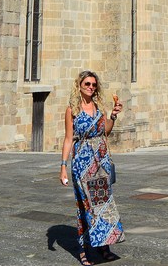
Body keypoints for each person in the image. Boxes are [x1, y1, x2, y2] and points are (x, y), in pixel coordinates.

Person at [60, 70, 125, 265]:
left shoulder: (99, 107)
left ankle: (104, 247)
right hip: (82, 161)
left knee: (103, 205)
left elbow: (105, 131)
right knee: (86, 206)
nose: (91, 87)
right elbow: (68, 139)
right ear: (79, 85)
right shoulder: (72, 109)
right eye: (87, 84)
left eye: (94, 85)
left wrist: (113, 116)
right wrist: (63, 166)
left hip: (101, 160)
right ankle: (83, 251)